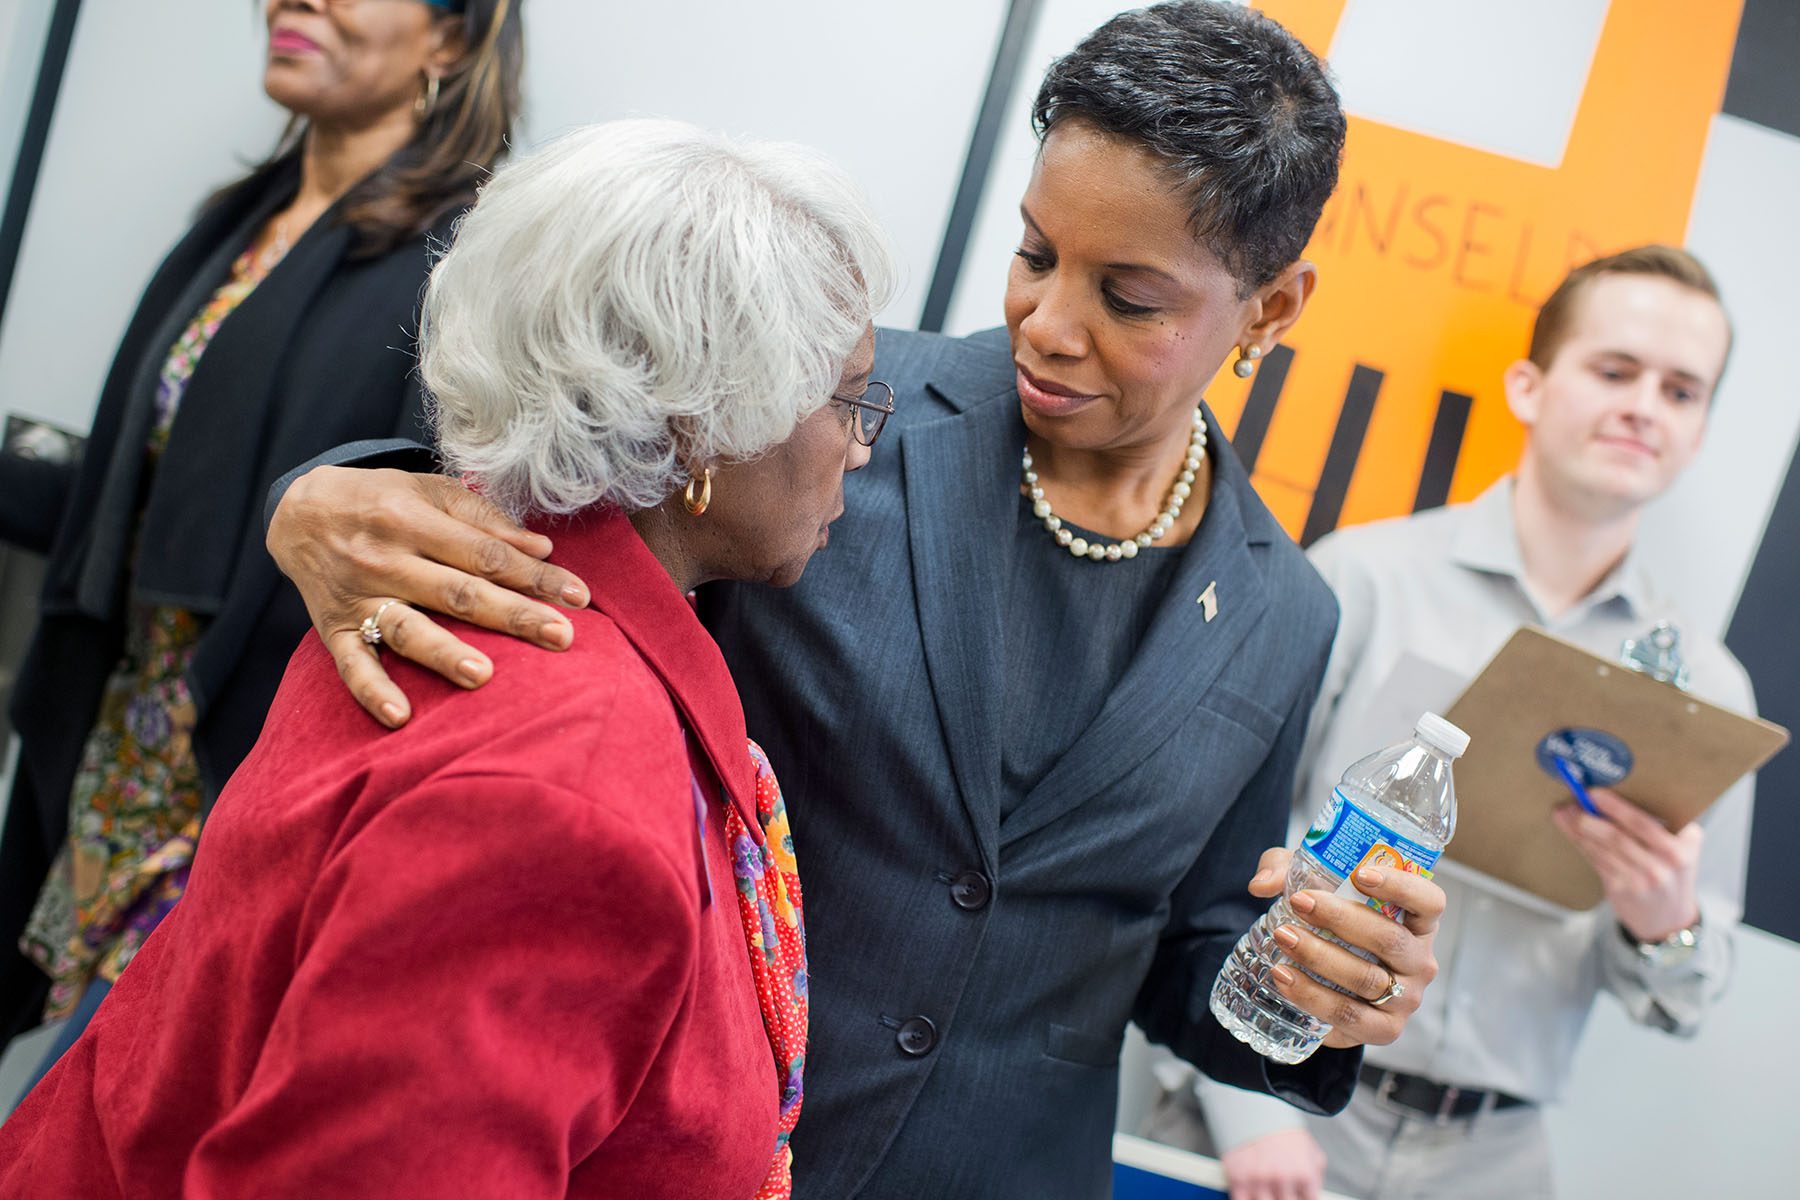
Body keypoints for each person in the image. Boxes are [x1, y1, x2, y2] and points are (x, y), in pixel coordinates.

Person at [261, 5, 1450, 1197]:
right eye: (1036, 253)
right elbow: (547, 515)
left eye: (1129, 298)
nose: (1047, 321)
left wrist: (1316, 986)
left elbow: (1183, 959)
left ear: (1273, 309)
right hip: (673, 1146)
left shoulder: (1284, 609)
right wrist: (327, 495)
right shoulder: (816, 416)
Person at [0, 116, 894, 1199]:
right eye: (848, 398)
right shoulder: (565, 785)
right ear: (702, 424)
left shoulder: (430, 597)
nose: (860, 442)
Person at [0, 0, 525, 1075]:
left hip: (242, 770)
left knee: (97, 1108)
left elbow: (436, 536)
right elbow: (147, 496)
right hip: (123, 744)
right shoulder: (244, 220)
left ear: (453, 40)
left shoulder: (468, 265)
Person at [1166, 244, 1754, 1200]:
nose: (1646, 405)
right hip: (1273, 1105)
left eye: (1682, 391)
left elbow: (1682, 1000)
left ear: (1697, 433)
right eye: (1614, 370)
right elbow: (1216, 844)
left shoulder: (1710, 692)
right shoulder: (1364, 577)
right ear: (1528, 386)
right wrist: (1249, 1106)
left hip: (1494, 1161)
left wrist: (1663, 924)